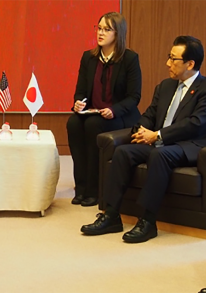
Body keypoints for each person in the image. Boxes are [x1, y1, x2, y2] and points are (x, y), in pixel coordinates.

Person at [81, 36, 206, 243]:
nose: (167, 63)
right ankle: (111, 214)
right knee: (123, 151)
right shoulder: (165, 86)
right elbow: (150, 114)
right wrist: (141, 129)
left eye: (173, 59)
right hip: (160, 142)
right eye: (168, 57)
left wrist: (158, 135)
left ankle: (147, 221)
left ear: (190, 64)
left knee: (160, 155)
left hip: (189, 146)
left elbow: (195, 124)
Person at [66, 12, 142, 207]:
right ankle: (81, 188)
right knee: (73, 122)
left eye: (107, 29)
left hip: (120, 115)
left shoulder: (130, 59)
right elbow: (81, 91)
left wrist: (114, 110)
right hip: (94, 112)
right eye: (99, 28)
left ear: (118, 34)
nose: (100, 33)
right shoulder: (88, 58)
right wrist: (79, 102)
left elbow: (134, 97)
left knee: (93, 125)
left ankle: (94, 190)